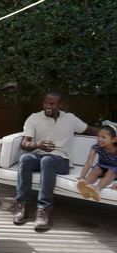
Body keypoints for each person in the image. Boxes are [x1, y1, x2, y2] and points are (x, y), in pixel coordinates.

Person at [13, 91, 99, 231]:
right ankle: (22, 206)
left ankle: (43, 210)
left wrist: (112, 132)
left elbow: (89, 129)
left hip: (61, 160)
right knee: (25, 158)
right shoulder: (34, 118)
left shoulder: (70, 119)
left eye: (52, 104)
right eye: (46, 102)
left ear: (61, 105)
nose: (48, 106)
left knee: (47, 160)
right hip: (38, 157)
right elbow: (24, 144)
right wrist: (38, 144)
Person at [76, 124, 117, 201]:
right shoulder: (96, 147)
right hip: (102, 166)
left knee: (111, 172)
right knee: (96, 169)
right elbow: (89, 163)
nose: (99, 139)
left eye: (103, 137)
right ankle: (85, 186)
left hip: (115, 170)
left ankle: (97, 189)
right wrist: (82, 177)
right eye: (98, 136)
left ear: (114, 139)